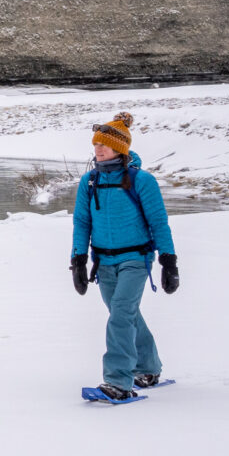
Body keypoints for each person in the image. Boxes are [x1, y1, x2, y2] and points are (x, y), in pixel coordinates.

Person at [69, 111, 177, 402]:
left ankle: (118, 381)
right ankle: (149, 367)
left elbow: (159, 222)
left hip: (135, 259)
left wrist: (169, 261)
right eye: (95, 145)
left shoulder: (142, 181)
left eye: (103, 144)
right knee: (125, 315)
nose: (98, 149)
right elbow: (81, 222)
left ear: (121, 148)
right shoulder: (89, 182)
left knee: (120, 315)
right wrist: (78, 261)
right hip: (103, 263)